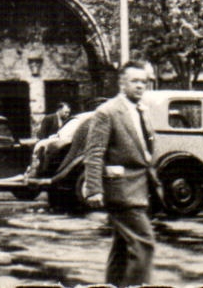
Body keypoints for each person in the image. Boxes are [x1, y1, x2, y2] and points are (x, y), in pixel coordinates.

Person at [81, 60, 159, 287]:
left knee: (122, 248)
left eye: (144, 82)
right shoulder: (107, 112)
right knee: (144, 244)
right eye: (134, 81)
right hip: (121, 191)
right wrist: (93, 189)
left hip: (139, 187)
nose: (140, 86)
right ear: (122, 83)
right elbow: (94, 153)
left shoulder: (141, 111)